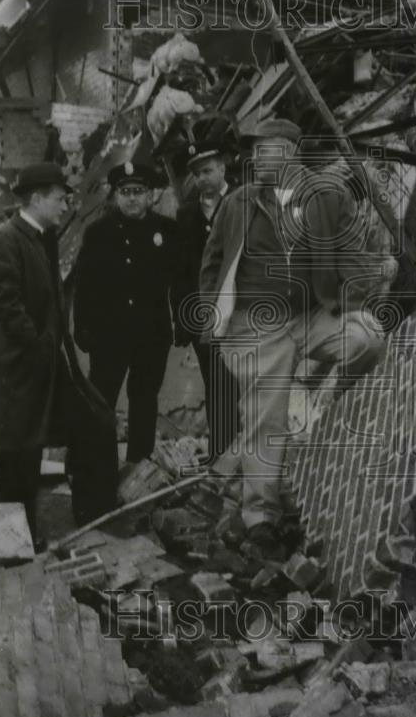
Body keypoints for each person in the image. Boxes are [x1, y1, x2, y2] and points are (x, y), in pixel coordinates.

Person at [200, 118, 390, 559]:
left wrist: (354, 301)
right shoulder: (239, 203)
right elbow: (211, 263)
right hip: (258, 323)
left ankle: (326, 409)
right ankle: (260, 518)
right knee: (265, 418)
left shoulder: (328, 198)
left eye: (262, 150)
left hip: (312, 313)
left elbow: (354, 255)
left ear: (287, 152)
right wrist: (214, 313)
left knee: (369, 337)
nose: (253, 158)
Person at [0, 162, 70, 549]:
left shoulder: (37, 237)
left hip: (32, 364)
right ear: (36, 199)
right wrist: (35, 343)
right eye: (58, 199)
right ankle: (9, 540)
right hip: (18, 366)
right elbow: (3, 300)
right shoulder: (8, 238)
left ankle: (24, 535)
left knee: (27, 450)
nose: (65, 206)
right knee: (12, 454)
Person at [72, 162, 180, 470]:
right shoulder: (98, 232)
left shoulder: (166, 231)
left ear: (150, 195)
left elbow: (181, 280)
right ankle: (96, 466)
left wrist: (181, 322)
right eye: (125, 192)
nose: (132, 199)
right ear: (115, 195)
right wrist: (83, 327)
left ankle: (139, 464)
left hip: (152, 335)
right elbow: (84, 284)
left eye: (139, 192)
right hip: (110, 335)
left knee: (144, 400)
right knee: (101, 401)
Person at [175, 143, 240, 460]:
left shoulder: (242, 202)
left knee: (240, 382)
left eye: (208, 170)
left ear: (223, 168)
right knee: (215, 384)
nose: (203, 178)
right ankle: (221, 455)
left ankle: (244, 453)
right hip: (203, 317)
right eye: (197, 173)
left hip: (239, 312)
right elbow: (182, 273)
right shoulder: (186, 214)